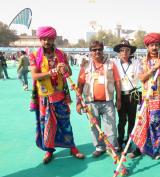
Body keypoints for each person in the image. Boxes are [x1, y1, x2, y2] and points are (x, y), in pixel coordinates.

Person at [29, 26, 85, 164]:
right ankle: (49, 150)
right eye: (44, 39)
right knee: (47, 125)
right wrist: (51, 72)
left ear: (53, 39)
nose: (47, 41)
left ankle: (72, 148)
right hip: (45, 98)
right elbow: (35, 76)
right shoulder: (34, 56)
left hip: (60, 96)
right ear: (40, 40)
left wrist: (65, 68)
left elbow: (69, 73)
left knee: (65, 124)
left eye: (49, 39)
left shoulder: (61, 54)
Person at [129, 32, 160, 160]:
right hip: (147, 98)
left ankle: (155, 150)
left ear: (159, 45)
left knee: (159, 126)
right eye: (152, 45)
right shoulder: (142, 61)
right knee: (142, 124)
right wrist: (153, 68)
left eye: (156, 44)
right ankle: (138, 149)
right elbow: (142, 78)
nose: (154, 47)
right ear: (147, 47)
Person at [76, 40, 121, 158]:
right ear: (90, 52)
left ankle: (112, 147)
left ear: (103, 50)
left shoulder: (111, 64)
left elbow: (117, 82)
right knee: (94, 127)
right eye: (94, 50)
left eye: (99, 49)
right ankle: (99, 147)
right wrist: (78, 102)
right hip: (90, 102)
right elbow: (80, 84)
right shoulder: (85, 66)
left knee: (111, 126)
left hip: (108, 102)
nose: (97, 52)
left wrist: (119, 99)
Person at [113, 40, 141, 152]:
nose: (124, 52)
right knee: (121, 121)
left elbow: (143, 74)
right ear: (119, 52)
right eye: (122, 50)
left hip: (132, 95)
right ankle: (120, 141)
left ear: (130, 52)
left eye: (127, 50)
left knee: (132, 121)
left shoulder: (136, 63)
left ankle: (129, 142)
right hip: (121, 95)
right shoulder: (114, 63)